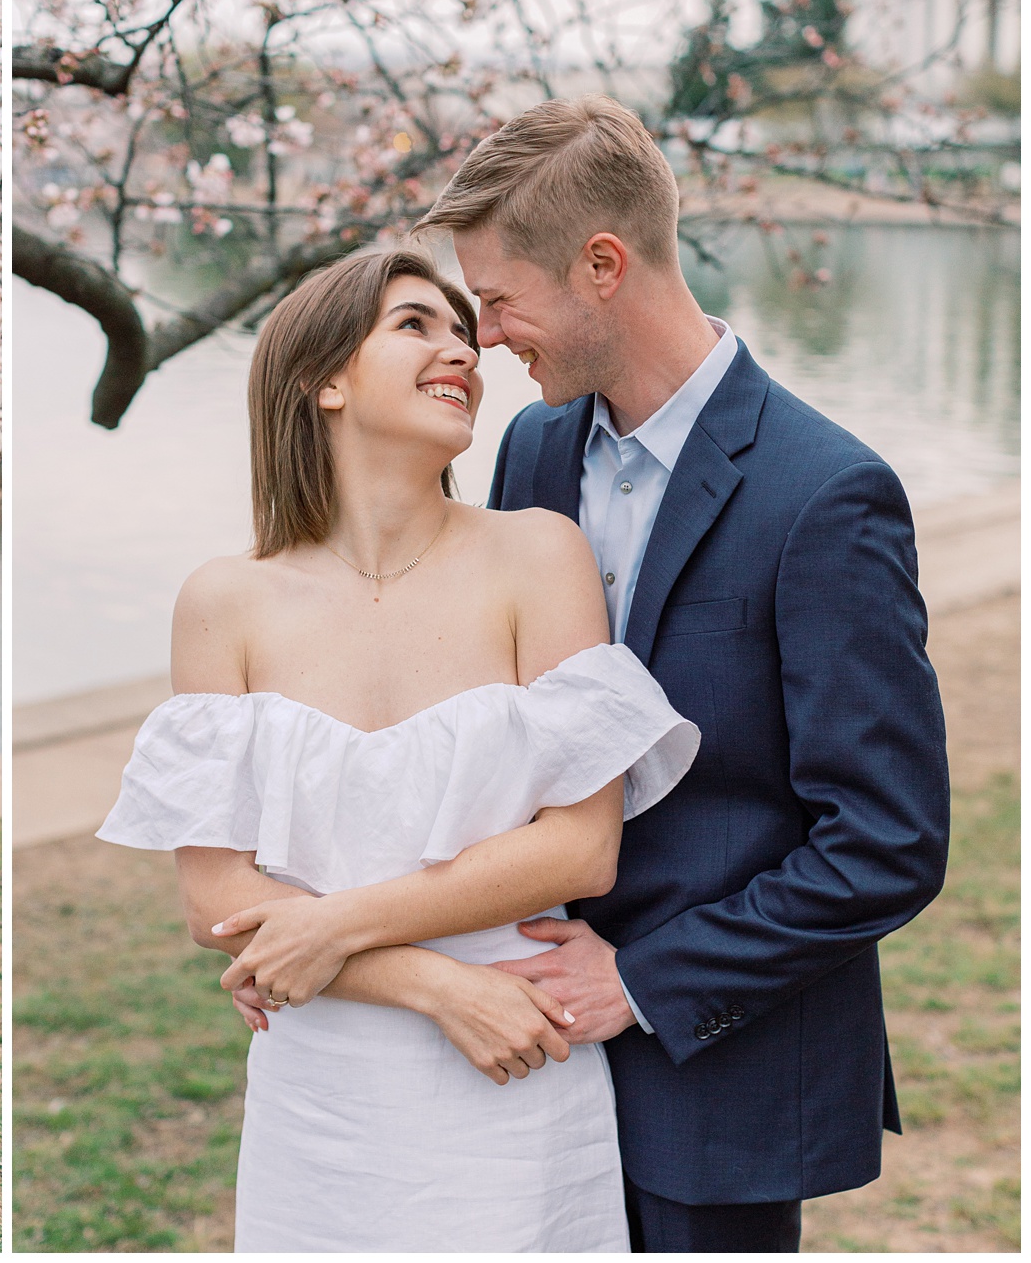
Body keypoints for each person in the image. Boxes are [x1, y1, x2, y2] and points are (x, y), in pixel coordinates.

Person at [406, 93, 950, 1252]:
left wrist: (642, 981)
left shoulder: (825, 495)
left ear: (600, 265)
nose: (482, 338)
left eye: (497, 299)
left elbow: (885, 842)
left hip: (713, 1087)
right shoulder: (531, 448)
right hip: (517, 1052)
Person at [98, 246, 701, 1250]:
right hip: (326, 1090)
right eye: (415, 325)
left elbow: (579, 848)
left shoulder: (537, 553)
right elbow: (218, 903)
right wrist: (440, 986)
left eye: (464, 332)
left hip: (517, 1065)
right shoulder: (223, 601)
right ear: (321, 381)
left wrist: (326, 929)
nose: (462, 350)